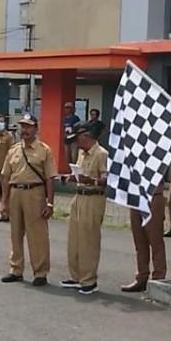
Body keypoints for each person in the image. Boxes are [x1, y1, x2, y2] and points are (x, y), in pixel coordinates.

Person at [0, 113, 57, 287]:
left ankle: (40, 272)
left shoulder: (44, 150)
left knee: (38, 235)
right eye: (23, 126)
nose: (25, 130)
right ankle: (16, 269)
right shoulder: (14, 150)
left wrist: (50, 203)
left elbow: (50, 178)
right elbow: (6, 177)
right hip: (16, 192)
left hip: (35, 193)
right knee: (15, 233)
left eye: (29, 126)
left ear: (36, 129)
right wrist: (4, 201)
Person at [60, 122, 109, 295]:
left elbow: (107, 180)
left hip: (93, 197)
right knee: (75, 240)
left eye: (78, 138)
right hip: (79, 197)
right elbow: (80, 174)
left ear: (86, 136)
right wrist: (71, 177)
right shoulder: (82, 153)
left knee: (89, 240)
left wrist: (91, 180)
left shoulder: (101, 154)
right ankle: (76, 276)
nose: (76, 142)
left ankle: (89, 280)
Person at [125, 155, 168, 294]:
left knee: (155, 240)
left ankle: (159, 278)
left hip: (153, 195)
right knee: (139, 241)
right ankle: (142, 277)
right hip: (136, 196)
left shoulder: (156, 151)